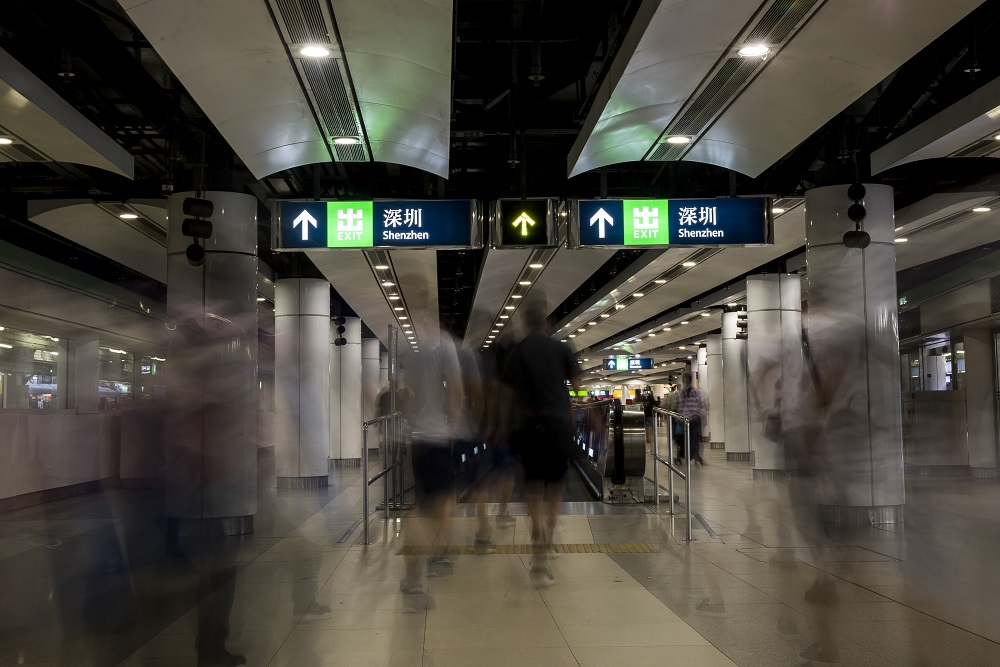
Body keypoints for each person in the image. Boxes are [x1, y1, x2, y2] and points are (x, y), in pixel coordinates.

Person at [501, 296, 583, 588]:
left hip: (526, 425)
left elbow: (507, 395)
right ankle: (546, 542)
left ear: (525, 322)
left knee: (533, 486)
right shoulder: (561, 348)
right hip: (558, 425)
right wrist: (571, 401)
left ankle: (535, 528)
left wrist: (502, 426)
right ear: (546, 319)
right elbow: (577, 385)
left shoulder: (518, 351)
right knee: (556, 489)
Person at [396, 285, 465, 611]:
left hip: (417, 440)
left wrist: (411, 422)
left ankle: (416, 573)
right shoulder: (443, 345)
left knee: (423, 505)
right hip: (437, 438)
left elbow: (404, 395)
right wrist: (452, 425)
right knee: (438, 508)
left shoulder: (410, 349)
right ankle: (424, 566)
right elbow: (456, 390)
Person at [675, 371, 706, 467]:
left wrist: (680, 416)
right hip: (690, 419)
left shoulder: (689, 392)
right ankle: (693, 457)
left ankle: (690, 456)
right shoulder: (689, 392)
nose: (685, 382)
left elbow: (685, 406)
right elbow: (697, 405)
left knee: (688, 439)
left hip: (690, 420)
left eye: (685, 380)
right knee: (691, 439)